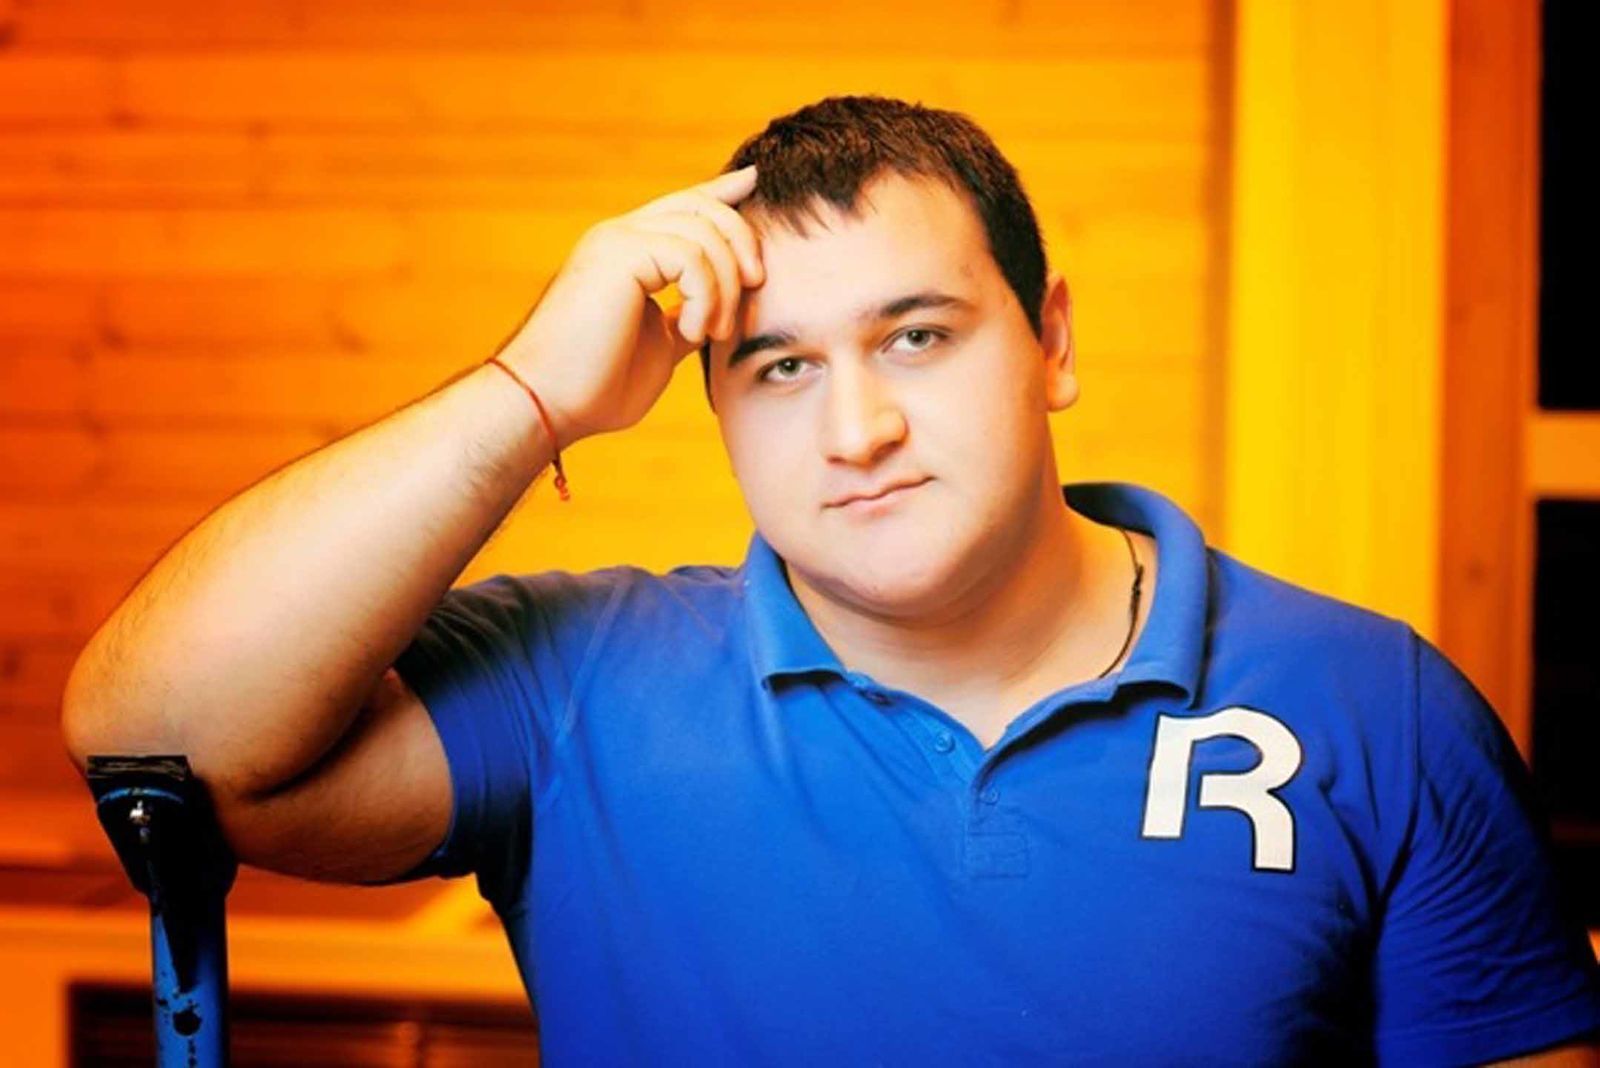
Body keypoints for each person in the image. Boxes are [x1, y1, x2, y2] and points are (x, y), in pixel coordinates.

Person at [62, 94, 1600, 1065]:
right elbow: (155, 739)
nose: (857, 430)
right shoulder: (579, 684)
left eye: (916, 337)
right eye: (780, 366)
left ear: (1054, 341)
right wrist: (534, 393)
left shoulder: (1380, 711)